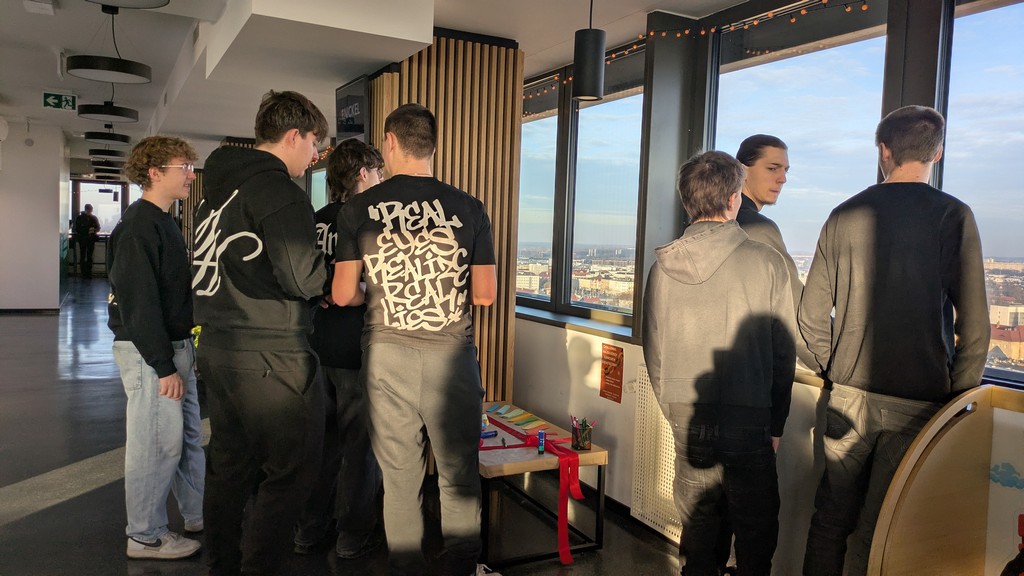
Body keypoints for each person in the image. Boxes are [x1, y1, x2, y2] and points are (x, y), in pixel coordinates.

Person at [800, 105, 991, 576]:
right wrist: (956, 397)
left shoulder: (843, 215)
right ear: (937, 153)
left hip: (849, 395)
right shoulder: (954, 215)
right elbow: (975, 326)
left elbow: (810, 317)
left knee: (830, 520)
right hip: (920, 401)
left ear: (883, 151)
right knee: (882, 527)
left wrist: (835, 367)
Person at [333, 103, 498, 576]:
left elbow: (342, 294)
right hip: (451, 358)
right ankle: (464, 569)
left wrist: (375, 290)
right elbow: (484, 295)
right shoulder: (469, 207)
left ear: (389, 142)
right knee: (458, 476)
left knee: (401, 481)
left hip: (387, 357)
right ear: (433, 145)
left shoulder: (358, 208)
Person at [191, 90, 329, 576]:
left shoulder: (215, 194)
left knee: (229, 468)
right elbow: (302, 277)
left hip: (218, 347)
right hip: (270, 355)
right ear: (294, 136)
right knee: (292, 471)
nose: (314, 157)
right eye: (314, 145)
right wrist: (333, 278)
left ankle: (223, 566)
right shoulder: (278, 191)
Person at [642, 150, 797, 576]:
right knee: (755, 535)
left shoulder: (662, 267)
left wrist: (673, 408)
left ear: (687, 201)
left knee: (699, 532)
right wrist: (776, 424)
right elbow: (783, 352)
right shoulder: (766, 261)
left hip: (687, 415)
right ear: (733, 199)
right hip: (750, 415)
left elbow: (653, 349)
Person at [108, 136, 205, 560]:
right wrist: (164, 365)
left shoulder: (162, 221)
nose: (191, 175)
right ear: (154, 172)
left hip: (175, 347)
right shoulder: (138, 227)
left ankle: (196, 513)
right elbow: (139, 304)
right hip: (153, 352)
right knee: (155, 445)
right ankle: (145, 535)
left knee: (185, 440)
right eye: (184, 167)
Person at [294, 138, 385, 558]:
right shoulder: (368, 222)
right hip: (356, 349)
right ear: (363, 174)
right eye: (378, 173)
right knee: (360, 448)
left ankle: (309, 529)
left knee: (320, 446)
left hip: (314, 345)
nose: (381, 180)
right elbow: (373, 287)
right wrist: (361, 292)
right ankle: (352, 536)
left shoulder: (314, 221)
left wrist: (326, 292)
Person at [733, 134, 819, 368]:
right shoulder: (758, 229)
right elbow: (794, 311)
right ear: (742, 171)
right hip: (749, 371)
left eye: (785, 170)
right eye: (772, 168)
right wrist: (830, 363)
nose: (783, 179)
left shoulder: (714, 222)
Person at [74, 203, 101, 278]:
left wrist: (88, 230)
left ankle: (84, 272)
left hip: (83, 239)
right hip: (90, 239)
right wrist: (92, 230)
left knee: (84, 255)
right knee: (88, 256)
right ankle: (88, 273)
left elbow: (77, 229)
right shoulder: (93, 218)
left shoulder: (80, 218)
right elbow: (98, 227)